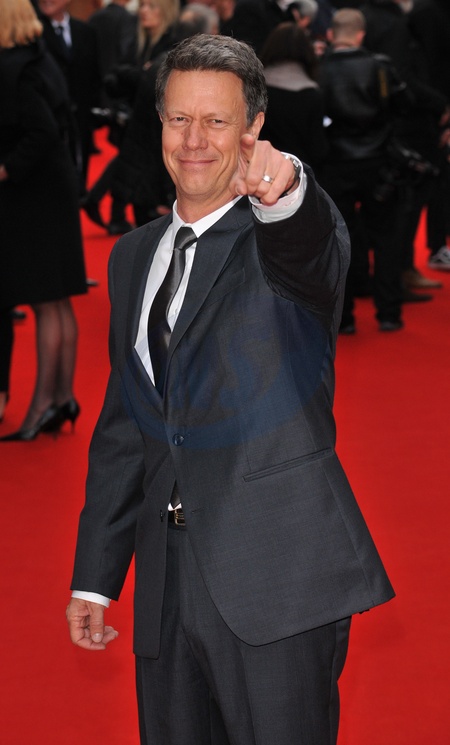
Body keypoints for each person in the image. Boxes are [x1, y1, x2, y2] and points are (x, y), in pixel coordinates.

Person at [66, 34, 394, 745]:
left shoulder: (281, 239)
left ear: (253, 128)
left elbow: (310, 246)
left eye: (216, 121)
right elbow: (126, 424)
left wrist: (289, 188)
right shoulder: (132, 255)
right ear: (158, 123)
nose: (194, 141)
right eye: (179, 119)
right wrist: (96, 575)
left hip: (275, 578)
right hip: (166, 581)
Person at [0, 0, 87, 441]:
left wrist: (5, 168)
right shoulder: (38, 56)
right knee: (57, 301)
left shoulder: (12, 66)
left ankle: (43, 405)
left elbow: (41, 131)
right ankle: (62, 397)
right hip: (54, 188)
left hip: (36, 195)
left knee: (46, 302)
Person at [319, 8, 412, 332]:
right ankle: (389, 312)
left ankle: (344, 318)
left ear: (331, 34)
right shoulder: (379, 66)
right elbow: (404, 106)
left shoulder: (319, 68)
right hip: (378, 163)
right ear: (361, 35)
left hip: (336, 164)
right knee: (386, 236)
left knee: (339, 239)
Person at [37, 0, 101, 195]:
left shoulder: (86, 32)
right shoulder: (33, 33)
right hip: (45, 126)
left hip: (80, 123)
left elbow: (94, 77)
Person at [259, 22, 328, 171]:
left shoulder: (256, 87)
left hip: (261, 167)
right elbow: (318, 148)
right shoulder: (312, 94)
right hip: (300, 171)